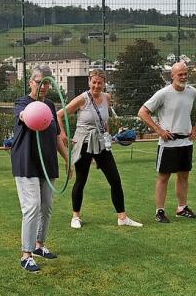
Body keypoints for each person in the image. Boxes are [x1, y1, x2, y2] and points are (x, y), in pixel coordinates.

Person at [56, 69, 142, 229]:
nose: (96, 85)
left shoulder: (107, 98)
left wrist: (108, 134)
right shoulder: (82, 99)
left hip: (101, 143)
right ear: (89, 82)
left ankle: (122, 217)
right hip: (83, 143)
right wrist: (62, 134)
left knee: (115, 180)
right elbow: (59, 114)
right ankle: (75, 216)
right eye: (93, 82)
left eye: (99, 83)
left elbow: (104, 121)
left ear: (104, 83)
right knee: (81, 180)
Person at [11, 65, 71, 273]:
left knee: (46, 207)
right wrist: (30, 112)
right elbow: (23, 117)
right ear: (30, 82)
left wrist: (66, 159)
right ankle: (25, 255)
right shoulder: (22, 103)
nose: (43, 86)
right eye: (39, 82)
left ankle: (38, 246)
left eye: (47, 82)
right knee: (32, 207)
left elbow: (56, 136)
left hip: (47, 163)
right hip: (26, 162)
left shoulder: (51, 105)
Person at [138, 61, 196, 223]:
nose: (183, 77)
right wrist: (158, 130)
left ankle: (182, 208)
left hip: (186, 142)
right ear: (172, 76)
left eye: (185, 73)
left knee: (184, 176)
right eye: (179, 74)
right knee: (163, 177)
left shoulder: (192, 92)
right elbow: (143, 112)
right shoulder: (163, 93)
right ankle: (159, 211)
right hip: (168, 143)